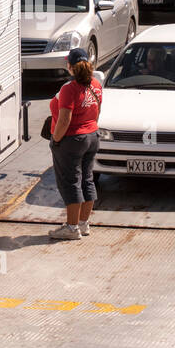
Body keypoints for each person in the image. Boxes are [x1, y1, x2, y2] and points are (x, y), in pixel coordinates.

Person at [48, 47, 103, 241]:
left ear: (70, 67)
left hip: (72, 140)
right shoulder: (96, 84)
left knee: (71, 183)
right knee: (87, 180)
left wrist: (55, 139)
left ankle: (71, 228)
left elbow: (64, 120)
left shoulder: (68, 89)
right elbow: (97, 111)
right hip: (92, 136)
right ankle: (83, 223)